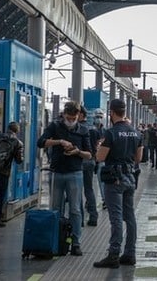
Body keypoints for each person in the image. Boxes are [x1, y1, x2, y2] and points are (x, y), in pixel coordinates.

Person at [37, 101, 92, 256]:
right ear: (64, 114)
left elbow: (89, 154)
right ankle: (55, 240)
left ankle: (75, 242)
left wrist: (77, 151)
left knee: (75, 209)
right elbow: (40, 142)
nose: (71, 119)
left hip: (75, 173)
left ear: (78, 116)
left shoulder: (83, 130)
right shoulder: (55, 127)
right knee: (55, 208)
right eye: (68, 117)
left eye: (74, 117)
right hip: (56, 173)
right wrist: (59, 141)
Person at [93, 99, 143, 268]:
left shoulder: (111, 133)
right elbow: (139, 158)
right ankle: (130, 254)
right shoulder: (136, 133)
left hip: (114, 180)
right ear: (124, 111)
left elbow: (100, 157)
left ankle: (113, 255)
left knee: (115, 218)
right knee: (130, 217)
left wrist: (99, 147)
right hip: (130, 178)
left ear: (112, 113)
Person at [78, 107, 101, 226]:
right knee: (89, 189)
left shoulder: (78, 128)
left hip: (80, 160)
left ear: (81, 115)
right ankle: (93, 216)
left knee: (77, 190)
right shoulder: (94, 129)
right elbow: (97, 145)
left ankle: (80, 219)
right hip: (91, 160)